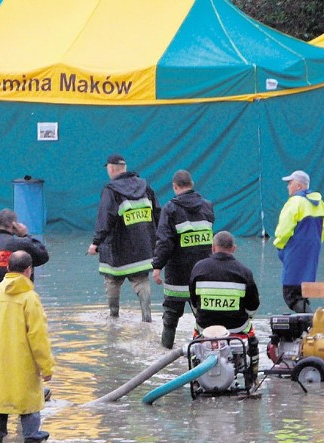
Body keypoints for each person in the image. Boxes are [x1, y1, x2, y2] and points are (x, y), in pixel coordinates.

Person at [0, 250, 55, 443]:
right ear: (28, 271)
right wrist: (46, 366)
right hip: (23, 364)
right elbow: (38, 337)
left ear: (7, 268)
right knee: (29, 406)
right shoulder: (30, 299)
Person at [87, 154, 161, 322]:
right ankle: (147, 318)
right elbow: (158, 213)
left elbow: (105, 219)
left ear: (111, 169)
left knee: (112, 281)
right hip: (143, 247)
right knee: (141, 280)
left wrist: (95, 243)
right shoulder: (145, 186)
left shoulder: (111, 190)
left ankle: (113, 317)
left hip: (117, 249)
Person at [152, 169, 214, 348]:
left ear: (174, 187)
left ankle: (165, 352)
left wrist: (157, 267)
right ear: (192, 184)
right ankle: (207, 352)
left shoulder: (170, 209)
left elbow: (164, 242)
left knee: (170, 317)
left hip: (177, 276)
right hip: (204, 274)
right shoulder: (207, 206)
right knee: (205, 318)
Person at [189, 231, 260, 380]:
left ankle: (195, 379)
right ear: (233, 248)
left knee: (194, 339)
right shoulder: (244, 272)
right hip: (237, 328)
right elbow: (253, 306)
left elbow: (194, 302)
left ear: (213, 247)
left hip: (205, 328)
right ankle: (252, 379)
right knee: (253, 342)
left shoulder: (198, 268)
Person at [274, 170, 324, 313]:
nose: (288, 187)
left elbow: (284, 229)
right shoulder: (320, 203)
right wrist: (314, 244)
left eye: (290, 183)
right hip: (312, 251)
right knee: (302, 292)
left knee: (290, 295)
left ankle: (314, 322)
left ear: (298, 186)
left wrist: (279, 246)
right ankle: (309, 326)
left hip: (295, 251)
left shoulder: (294, 202)